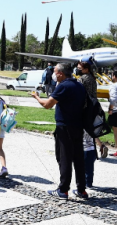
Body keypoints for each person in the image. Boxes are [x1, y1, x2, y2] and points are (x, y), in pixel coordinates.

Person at [31, 62, 88, 200]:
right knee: (78, 158)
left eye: (55, 72)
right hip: (78, 125)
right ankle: (82, 189)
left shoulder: (64, 86)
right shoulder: (79, 85)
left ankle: (63, 189)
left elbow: (47, 105)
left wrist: (36, 97)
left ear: (60, 73)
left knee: (64, 157)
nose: (53, 74)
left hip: (65, 126)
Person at [77, 61, 108, 159]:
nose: (78, 70)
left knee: (85, 128)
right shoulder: (92, 78)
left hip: (85, 106)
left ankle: (87, 150)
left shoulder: (82, 79)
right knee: (90, 127)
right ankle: (100, 145)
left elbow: (79, 92)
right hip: (94, 105)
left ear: (86, 69)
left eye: (80, 68)